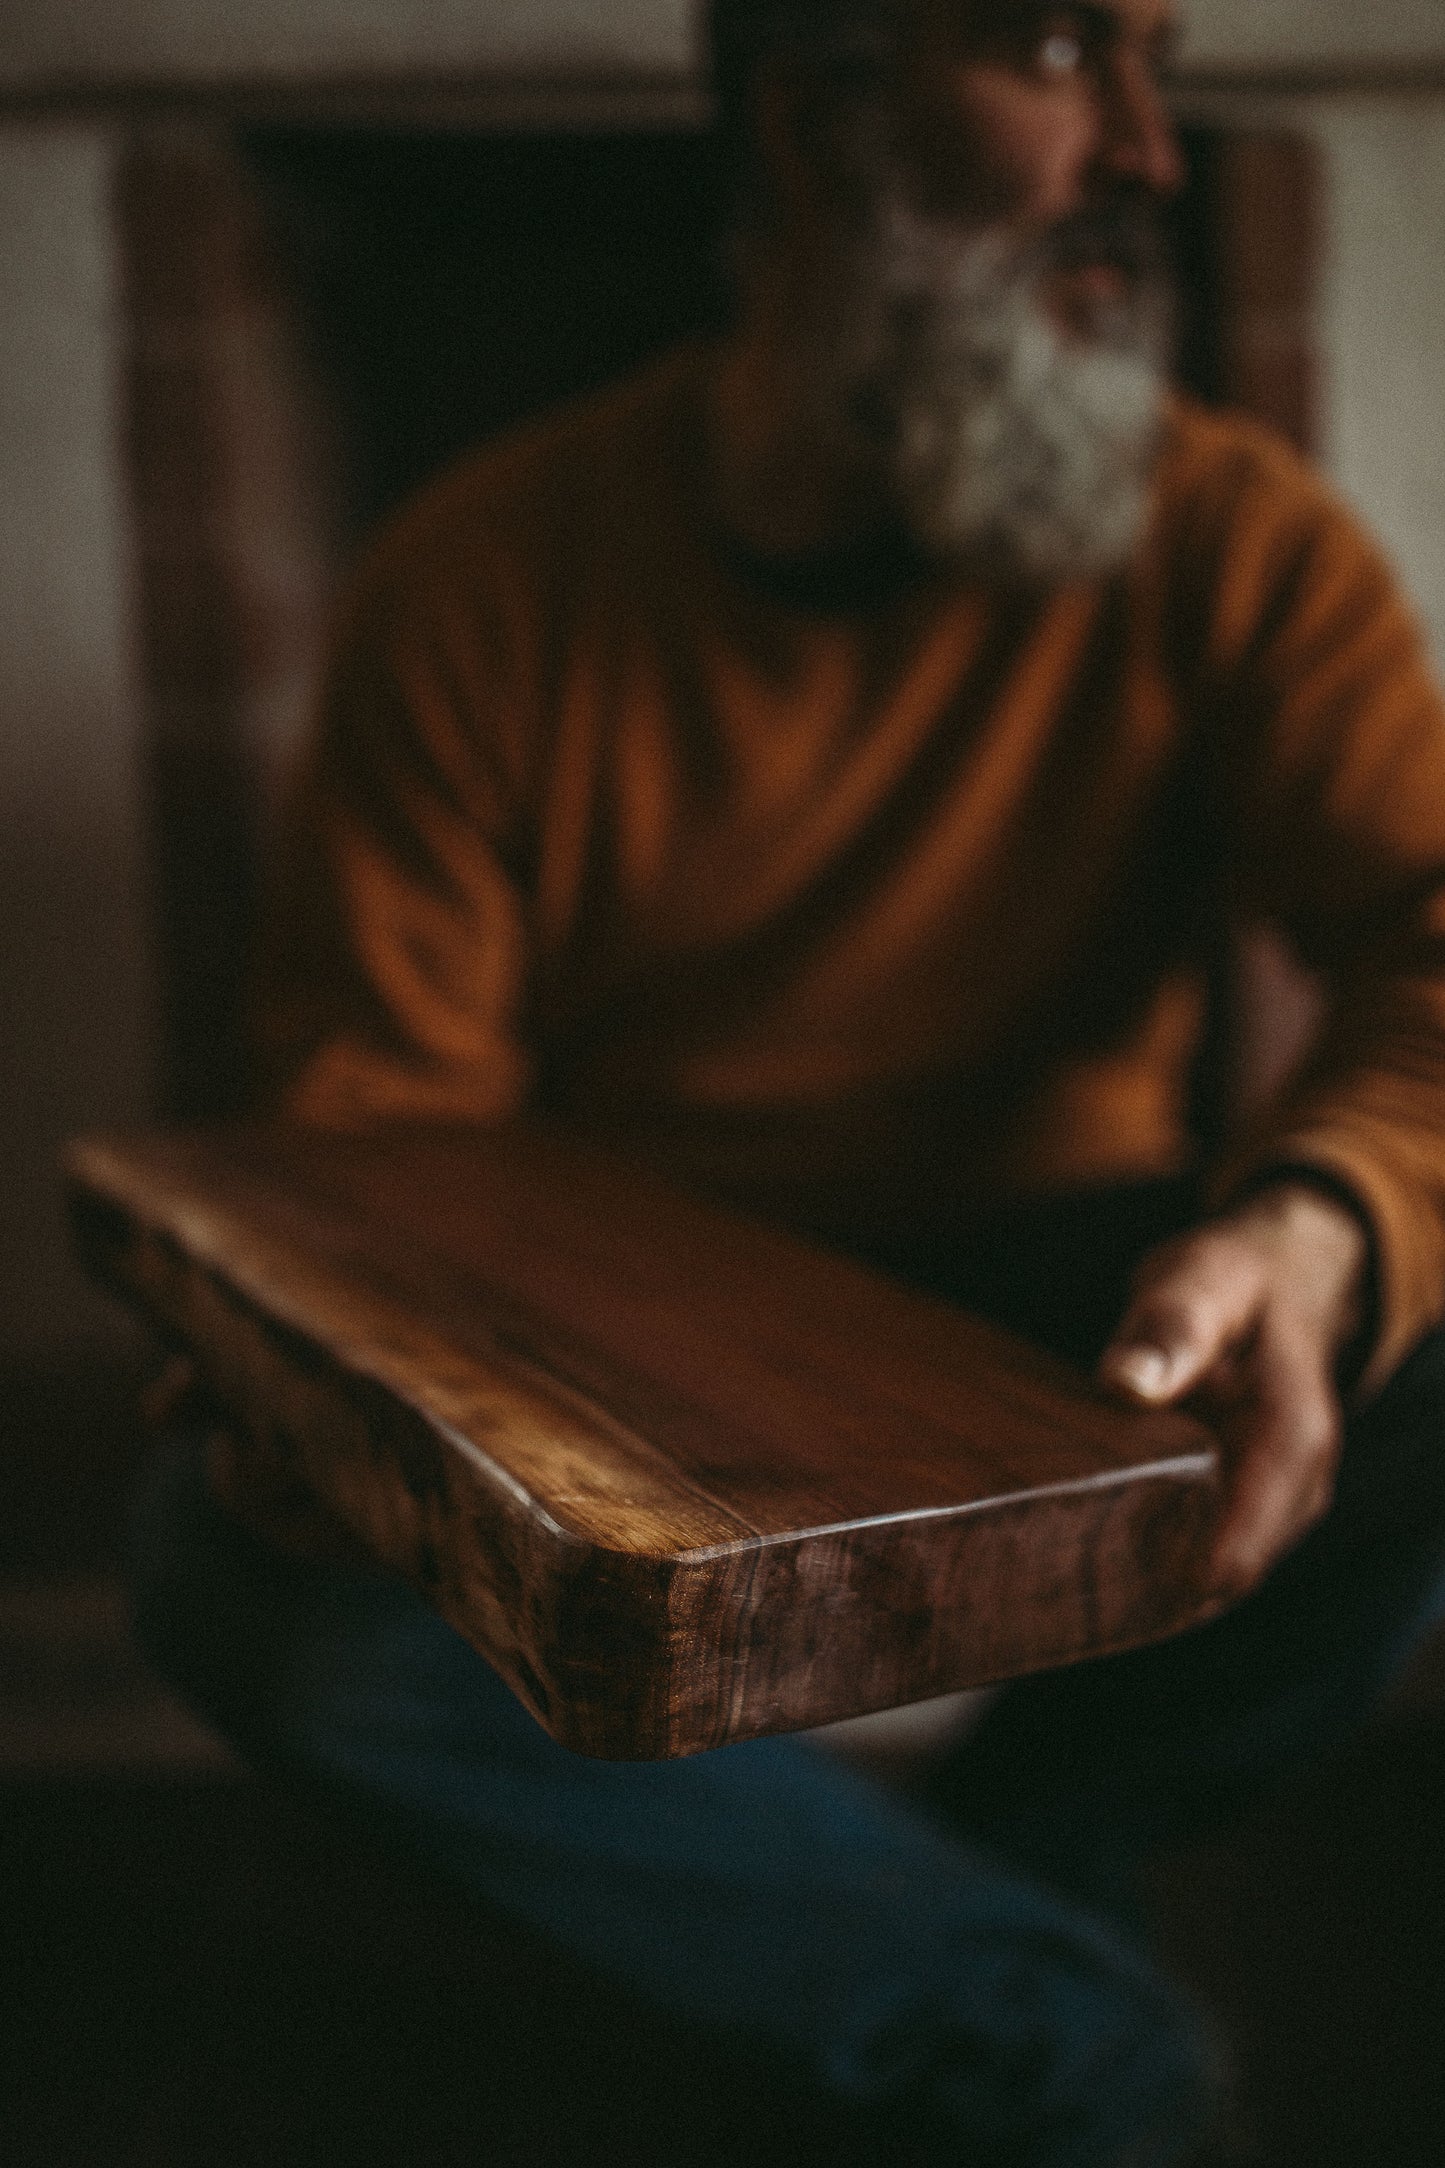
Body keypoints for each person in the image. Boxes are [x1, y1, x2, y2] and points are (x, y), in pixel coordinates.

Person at [133, 2, 1445, 2161]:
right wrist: (321, 1388)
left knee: (1414, 1325)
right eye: (1051, 48)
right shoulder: (481, 578)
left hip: (1061, 1291)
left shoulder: (1236, 544)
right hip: (615, 1322)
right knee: (222, 1558)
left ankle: (982, 1918)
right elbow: (371, 1138)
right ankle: (1047, 2017)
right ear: (816, 121)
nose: (1149, 147)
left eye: (1157, 55)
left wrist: (1318, 1225)